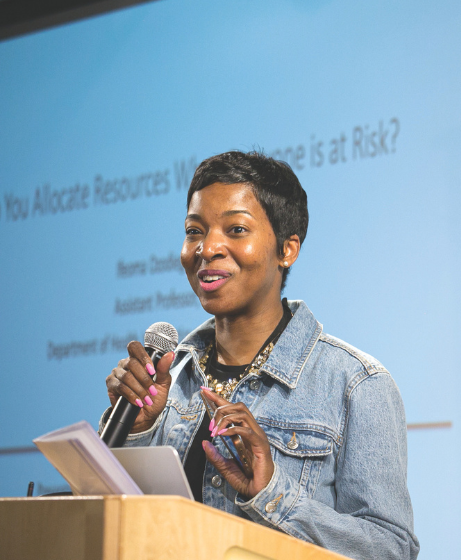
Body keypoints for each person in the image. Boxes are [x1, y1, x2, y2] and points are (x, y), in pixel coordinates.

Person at [100, 150, 419, 559]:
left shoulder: (357, 385)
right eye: (194, 231)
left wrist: (273, 495)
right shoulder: (169, 376)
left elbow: (392, 550)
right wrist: (136, 432)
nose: (207, 248)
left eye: (235, 229)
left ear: (287, 250)